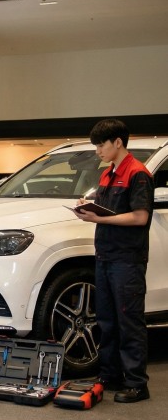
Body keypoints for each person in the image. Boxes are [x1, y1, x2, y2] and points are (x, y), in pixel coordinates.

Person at [72, 119, 154, 403]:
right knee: (106, 319)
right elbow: (107, 210)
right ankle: (110, 375)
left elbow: (140, 217)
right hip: (105, 255)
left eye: (101, 144)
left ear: (118, 142)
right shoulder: (108, 174)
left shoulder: (138, 174)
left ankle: (136, 384)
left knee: (128, 321)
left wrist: (100, 217)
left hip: (127, 259)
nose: (97, 150)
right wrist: (87, 209)